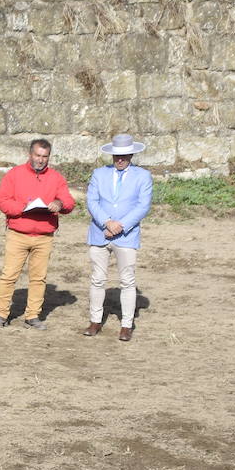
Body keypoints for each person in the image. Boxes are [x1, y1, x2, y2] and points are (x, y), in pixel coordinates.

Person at [0, 138, 76, 329]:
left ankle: (32, 315)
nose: (40, 160)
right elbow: (2, 201)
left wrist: (60, 204)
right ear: (30, 154)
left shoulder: (56, 178)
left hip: (44, 237)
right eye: (37, 155)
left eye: (45, 156)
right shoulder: (14, 175)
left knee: (38, 278)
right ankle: (1, 314)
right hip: (18, 234)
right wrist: (24, 208)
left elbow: (69, 202)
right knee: (9, 275)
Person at [83, 133, 152, 341]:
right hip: (100, 232)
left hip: (127, 235)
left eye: (124, 156)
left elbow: (143, 206)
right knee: (97, 278)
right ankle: (95, 320)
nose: (120, 159)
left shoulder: (143, 176)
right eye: (116, 156)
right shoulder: (99, 174)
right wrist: (107, 222)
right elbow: (92, 201)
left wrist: (120, 226)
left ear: (131, 154)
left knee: (128, 280)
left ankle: (126, 323)